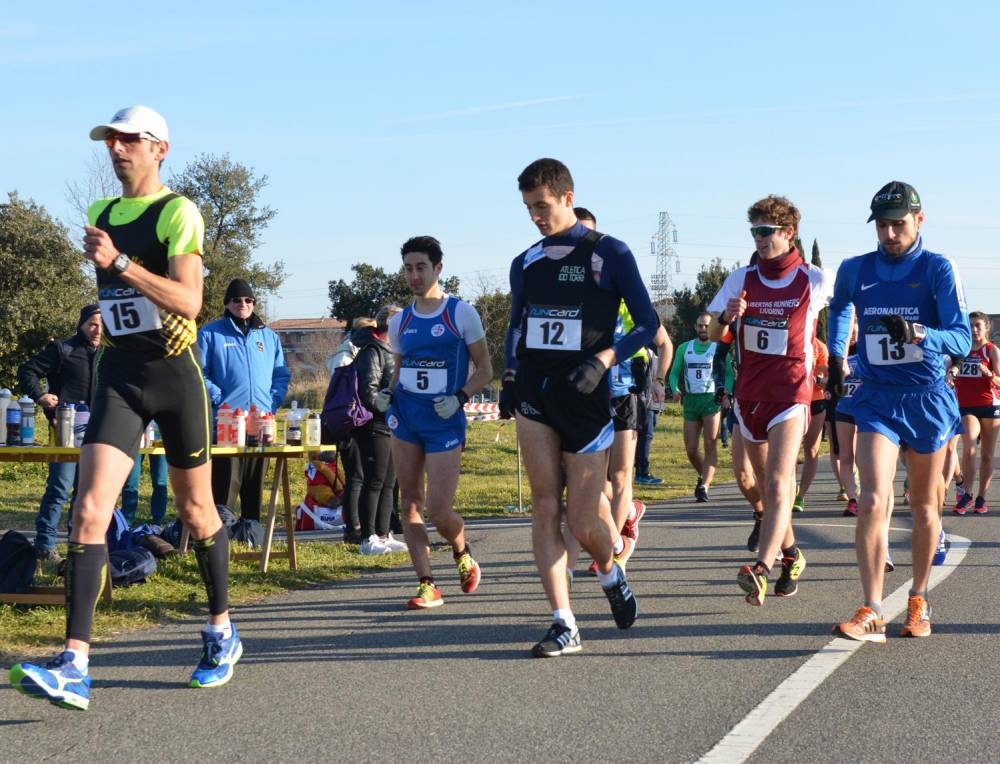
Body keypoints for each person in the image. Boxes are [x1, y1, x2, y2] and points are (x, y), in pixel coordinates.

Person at [9, 106, 241, 710]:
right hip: (118, 375)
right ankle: (74, 665)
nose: (117, 149)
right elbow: (117, 301)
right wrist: (111, 273)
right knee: (88, 510)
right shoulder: (100, 214)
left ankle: (221, 630)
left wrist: (119, 264)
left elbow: (189, 301)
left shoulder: (178, 211)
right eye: (110, 141)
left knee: (196, 511)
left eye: (129, 140)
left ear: (159, 148)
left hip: (174, 377)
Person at [501, 158, 657, 657]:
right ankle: (563, 621)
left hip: (587, 394)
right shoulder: (525, 261)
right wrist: (510, 375)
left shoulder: (608, 252)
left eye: (541, 206)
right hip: (536, 392)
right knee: (546, 504)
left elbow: (647, 323)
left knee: (586, 524)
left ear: (568, 197)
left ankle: (611, 573)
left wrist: (605, 358)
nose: (535, 217)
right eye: (528, 209)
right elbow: (517, 324)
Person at [828, 181, 969, 643]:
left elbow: (961, 337)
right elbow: (840, 307)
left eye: (898, 225)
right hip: (878, 397)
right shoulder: (856, 268)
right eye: (883, 226)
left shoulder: (936, 269)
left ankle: (919, 597)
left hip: (926, 397)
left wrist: (923, 334)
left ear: (919, 220)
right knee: (872, 498)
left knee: (925, 506)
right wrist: (834, 354)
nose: (890, 234)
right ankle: (872, 608)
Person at [708, 195, 832, 605]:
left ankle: (760, 568)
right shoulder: (740, 278)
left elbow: (848, 309)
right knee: (762, 485)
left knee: (780, 482)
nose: (760, 239)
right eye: (755, 232)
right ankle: (792, 554)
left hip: (792, 392)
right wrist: (726, 317)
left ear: (788, 233)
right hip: (750, 394)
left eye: (766, 231)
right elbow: (712, 335)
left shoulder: (814, 279)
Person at [377, 236, 493, 609]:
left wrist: (459, 398)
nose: (414, 275)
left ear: (438, 268)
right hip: (406, 418)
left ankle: (461, 550)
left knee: (439, 510)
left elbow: (486, 370)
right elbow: (400, 370)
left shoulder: (460, 313)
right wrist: (387, 394)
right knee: (409, 502)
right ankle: (427, 583)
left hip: (444, 421)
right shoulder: (401, 321)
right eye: (408, 268)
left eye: (421, 267)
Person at [198, 278, 291, 521]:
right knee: (226, 482)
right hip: (227, 421)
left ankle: (252, 532)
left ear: (254, 304)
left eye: (248, 300)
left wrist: (273, 401)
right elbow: (199, 372)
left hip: (260, 421)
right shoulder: (210, 333)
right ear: (227, 303)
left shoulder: (268, 337)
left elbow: (280, 374)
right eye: (237, 300)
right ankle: (222, 534)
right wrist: (219, 399)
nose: (243, 304)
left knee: (255, 483)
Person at [17, 305, 102, 561]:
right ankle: (45, 545)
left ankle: (78, 545)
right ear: (82, 324)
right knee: (59, 489)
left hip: (97, 434)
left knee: (86, 492)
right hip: (63, 432)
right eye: (92, 324)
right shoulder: (63, 349)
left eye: (102, 324)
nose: (97, 329)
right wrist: (41, 395)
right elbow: (27, 370)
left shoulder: (110, 353)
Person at [353, 305, 407, 554]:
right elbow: (368, 389)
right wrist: (381, 406)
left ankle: (384, 534)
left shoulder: (396, 350)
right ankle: (367, 538)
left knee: (389, 482)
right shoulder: (372, 350)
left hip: (394, 424)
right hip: (375, 424)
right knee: (374, 480)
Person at [327, 316, 377, 543]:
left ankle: (356, 524)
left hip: (350, 418)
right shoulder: (351, 353)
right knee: (356, 476)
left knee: (357, 475)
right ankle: (353, 527)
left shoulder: (345, 349)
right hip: (351, 419)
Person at [670, 312, 723, 502]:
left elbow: (730, 374)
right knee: (691, 449)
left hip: (711, 400)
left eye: (707, 326)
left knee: (710, 444)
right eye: (700, 325)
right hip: (691, 401)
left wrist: (727, 393)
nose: (703, 329)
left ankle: (704, 486)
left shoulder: (718, 348)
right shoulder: (685, 348)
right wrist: (675, 389)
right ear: (695, 327)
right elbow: (674, 373)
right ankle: (705, 475)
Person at [953, 311, 1000, 515]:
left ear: (986, 328)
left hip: (989, 405)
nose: (973, 330)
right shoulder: (961, 350)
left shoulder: (991, 351)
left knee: (987, 455)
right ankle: (968, 494)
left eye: (977, 325)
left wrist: (989, 374)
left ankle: (981, 497)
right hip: (966, 406)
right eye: (970, 325)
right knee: (969, 448)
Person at [792, 337, 830, 512]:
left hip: (816, 401)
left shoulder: (819, 347)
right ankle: (790, 491)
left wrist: (818, 380)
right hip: (795, 401)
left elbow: (827, 379)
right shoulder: (793, 338)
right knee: (790, 450)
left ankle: (801, 496)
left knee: (811, 449)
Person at [121, 448, 169, 527]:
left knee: (160, 483)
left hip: (159, 440)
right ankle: (126, 523)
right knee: (131, 483)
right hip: (138, 440)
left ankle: (157, 524)